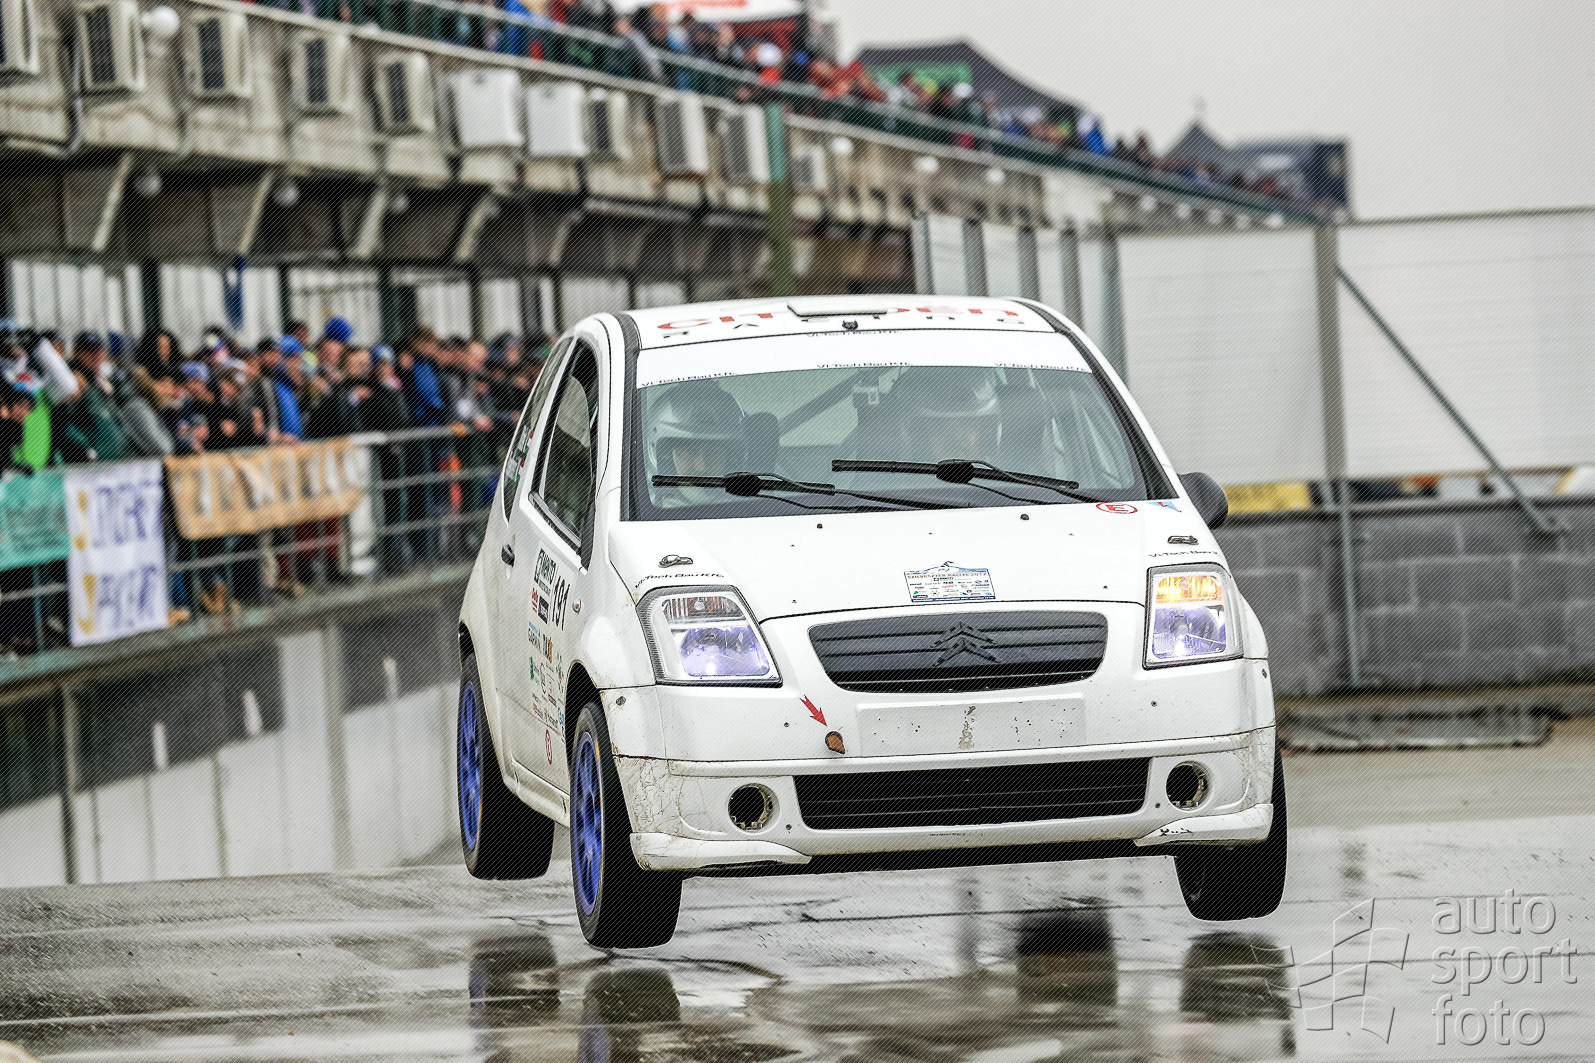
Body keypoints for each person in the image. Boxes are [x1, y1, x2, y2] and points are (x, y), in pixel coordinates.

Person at [646, 379, 747, 508]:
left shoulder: (757, 506)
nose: (702, 466)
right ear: (667, 457)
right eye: (689, 451)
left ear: (730, 457)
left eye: (713, 452)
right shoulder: (644, 511)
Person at [58, 331, 133, 463]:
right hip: (94, 463)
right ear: (76, 353)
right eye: (88, 351)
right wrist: (86, 451)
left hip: (119, 458)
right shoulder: (73, 381)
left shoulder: (104, 380)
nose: (95, 355)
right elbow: (64, 423)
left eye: (99, 350)